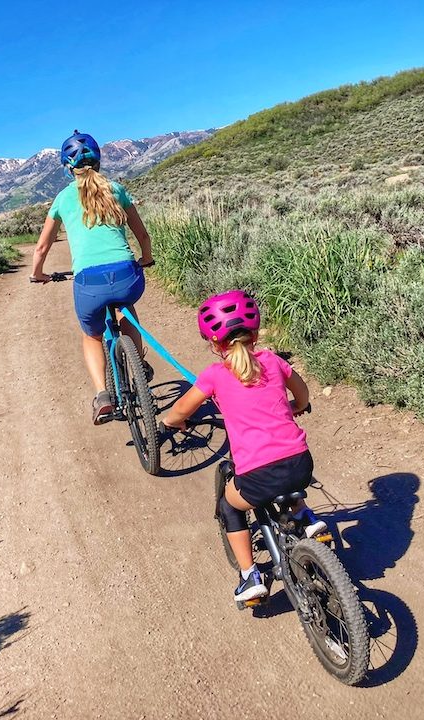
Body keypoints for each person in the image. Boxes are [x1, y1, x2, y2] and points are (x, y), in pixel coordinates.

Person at [161, 290, 327, 603]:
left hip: (257, 477)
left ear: (212, 343)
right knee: (288, 480)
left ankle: (250, 575)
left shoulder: (214, 375)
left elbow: (182, 410)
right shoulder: (273, 361)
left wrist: (172, 422)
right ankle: (303, 516)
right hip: (301, 464)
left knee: (230, 505)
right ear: (255, 331)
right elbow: (302, 393)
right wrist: (296, 407)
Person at [30, 131, 155, 424]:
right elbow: (142, 235)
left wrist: (39, 275)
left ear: (67, 167)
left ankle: (102, 396)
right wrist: (145, 259)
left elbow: (41, 247)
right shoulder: (116, 189)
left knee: (92, 335)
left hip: (89, 283)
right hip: (126, 275)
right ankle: (138, 365)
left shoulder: (62, 199)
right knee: (126, 311)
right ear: (98, 161)